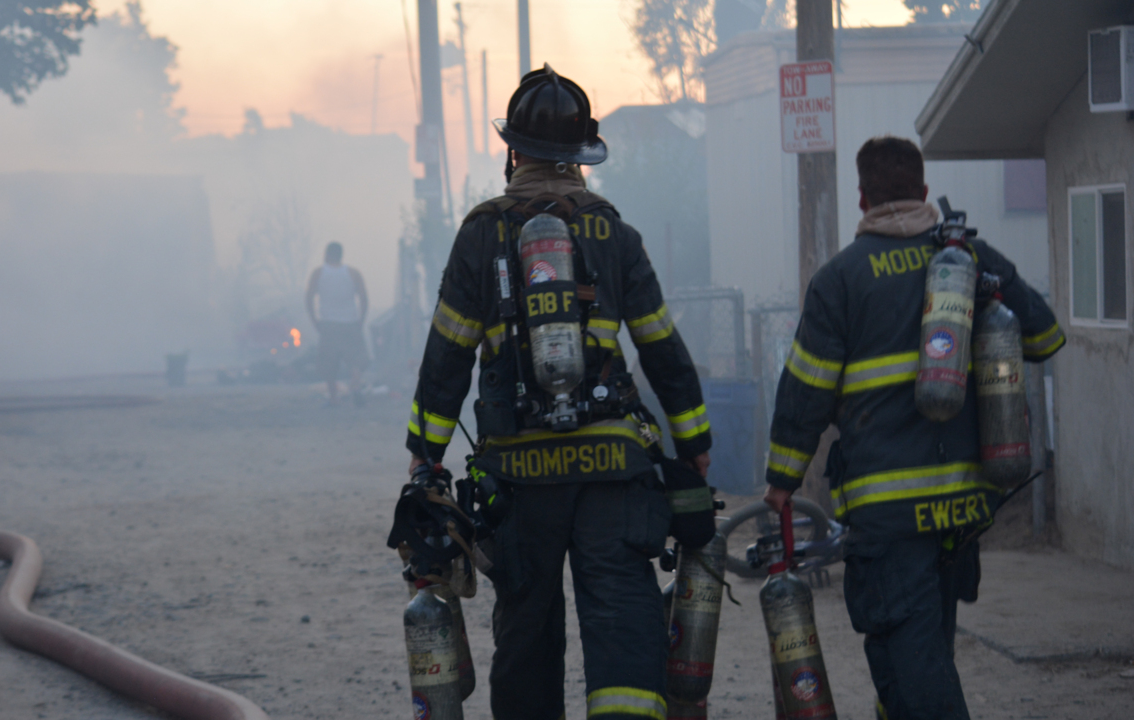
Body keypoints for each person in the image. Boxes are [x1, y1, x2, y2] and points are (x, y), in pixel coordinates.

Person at [404, 65, 713, 720]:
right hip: (612, 473)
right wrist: (697, 444)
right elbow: (663, 351)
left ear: (512, 150)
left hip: (516, 478)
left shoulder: (480, 234)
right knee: (625, 628)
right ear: (580, 157)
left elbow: (447, 358)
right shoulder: (615, 235)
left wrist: (424, 454)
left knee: (526, 636)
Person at [762, 136, 1066, 720]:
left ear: (862, 197)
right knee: (924, 656)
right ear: (924, 192)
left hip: (890, 514)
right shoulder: (969, 259)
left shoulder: (841, 280)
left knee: (913, 665)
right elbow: (1046, 337)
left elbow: (806, 392)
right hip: (962, 509)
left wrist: (781, 480)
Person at [305, 242, 369, 404]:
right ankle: (355, 387)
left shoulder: (318, 274)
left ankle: (333, 398)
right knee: (355, 359)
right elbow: (364, 298)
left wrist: (315, 321)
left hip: (328, 324)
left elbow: (308, 298)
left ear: (326, 254)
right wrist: (360, 320)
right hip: (351, 323)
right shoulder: (353, 273)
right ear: (341, 255)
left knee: (328, 363)